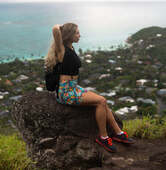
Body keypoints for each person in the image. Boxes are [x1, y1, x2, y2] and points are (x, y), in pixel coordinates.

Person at [45, 23, 135, 153]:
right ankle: (103, 137)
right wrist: (60, 26)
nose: (80, 35)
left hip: (74, 87)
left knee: (102, 102)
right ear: (70, 35)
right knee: (101, 101)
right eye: (77, 33)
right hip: (65, 92)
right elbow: (55, 29)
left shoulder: (71, 48)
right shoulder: (62, 50)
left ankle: (118, 133)